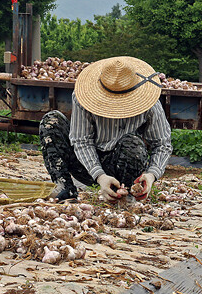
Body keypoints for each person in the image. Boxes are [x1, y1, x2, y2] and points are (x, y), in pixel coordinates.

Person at [38, 56, 172, 202]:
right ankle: (65, 189)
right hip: (87, 165)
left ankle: (125, 192)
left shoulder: (150, 103)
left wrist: (152, 175)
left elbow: (162, 144)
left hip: (123, 163)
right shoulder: (83, 97)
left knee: (133, 143)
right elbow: (81, 140)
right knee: (51, 121)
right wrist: (100, 176)